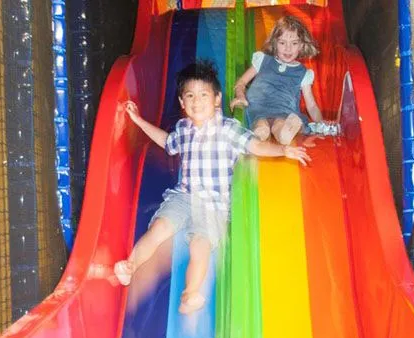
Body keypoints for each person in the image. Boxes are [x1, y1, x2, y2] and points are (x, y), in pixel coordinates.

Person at [114, 60, 311, 314]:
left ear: (217, 99)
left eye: (204, 94)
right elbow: (167, 142)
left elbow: (256, 146)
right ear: (182, 103)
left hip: (213, 204)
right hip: (183, 196)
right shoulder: (183, 128)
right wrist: (139, 121)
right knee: (159, 227)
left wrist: (284, 150)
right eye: (190, 96)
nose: (197, 101)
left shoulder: (228, 129)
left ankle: (190, 293)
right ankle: (130, 266)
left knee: (200, 244)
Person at [230, 15, 323, 145]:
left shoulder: (303, 73)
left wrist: (321, 124)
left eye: (294, 43)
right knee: (261, 125)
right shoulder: (263, 60)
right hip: (258, 109)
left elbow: (311, 105)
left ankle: (284, 133)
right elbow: (241, 82)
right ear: (274, 43)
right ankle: (262, 133)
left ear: (301, 45)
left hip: (284, 111)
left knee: (280, 124)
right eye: (282, 43)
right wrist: (240, 95)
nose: (288, 48)